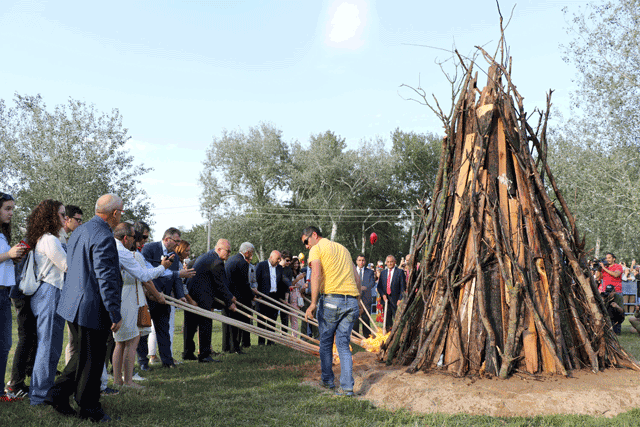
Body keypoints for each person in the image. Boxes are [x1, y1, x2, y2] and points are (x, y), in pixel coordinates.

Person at [46, 194, 124, 422]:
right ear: (115, 213)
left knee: (81, 355)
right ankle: (89, 408)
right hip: (91, 306)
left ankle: (58, 394)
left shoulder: (81, 229)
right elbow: (106, 277)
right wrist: (114, 312)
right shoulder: (103, 235)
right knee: (92, 358)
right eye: (122, 212)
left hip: (73, 303)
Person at [303, 226, 361, 396]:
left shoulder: (317, 249)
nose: (306, 246)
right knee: (343, 344)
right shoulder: (343, 249)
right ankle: (348, 387)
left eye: (306, 241)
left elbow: (316, 275)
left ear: (314, 235)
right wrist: (358, 302)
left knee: (326, 343)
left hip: (331, 301)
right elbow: (356, 278)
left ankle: (328, 381)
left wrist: (313, 303)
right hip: (351, 301)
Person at [112, 223, 169, 389]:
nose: (136, 243)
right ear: (126, 238)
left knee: (120, 342)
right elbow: (145, 276)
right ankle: (127, 381)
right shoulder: (130, 255)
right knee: (131, 340)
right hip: (129, 298)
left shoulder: (116, 250)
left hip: (123, 296)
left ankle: (118, 380)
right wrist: (162, 267)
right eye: (135, 239)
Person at [24, 200, 69, 406]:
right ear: (51, 217)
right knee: (48, 345)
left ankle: (42, 391)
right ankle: (40, 394)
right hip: (50, 292)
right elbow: (67, 265)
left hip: (49, 292)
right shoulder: (49, 239)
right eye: (61, 215)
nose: (65, 219)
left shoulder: (48, 238)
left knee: (50, 345)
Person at [138, 227, 190, 369]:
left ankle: (167, 361)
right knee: (144, 331)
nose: (178, 245)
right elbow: (147, 273)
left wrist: (180, 296)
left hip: (165, 298)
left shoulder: (174, 255)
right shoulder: (149, 249)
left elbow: (176, 279)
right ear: (167, 239)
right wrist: (155, 293)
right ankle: (143, 362)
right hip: (149, 297)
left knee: (164, 330)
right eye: (176, 241)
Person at [183, 239, 236, 362]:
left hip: (192, 293)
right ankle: (204, 355)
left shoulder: (207, 256)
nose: (229, 254)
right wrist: (230, 302)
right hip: (202, 295)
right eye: (228, 251)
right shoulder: (216, 261)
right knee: (205, 323)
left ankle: (188, 353)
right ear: (218, 250)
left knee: (190, 324)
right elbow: (220, 285)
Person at [0, 192, 27, 400]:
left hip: (4, 293)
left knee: (5, 344)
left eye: (12, 209)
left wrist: (13, 259)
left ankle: (1, 391)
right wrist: (8, 255)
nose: (11, 213)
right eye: (7, 209)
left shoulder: (2, 233)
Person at [61, 205, 83, 365]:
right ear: (67, 219)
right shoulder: (58, 238)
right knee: (74, 338)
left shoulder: (67, 238)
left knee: (75, 339)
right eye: (78, 220)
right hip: (64, 293)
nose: (80, 224)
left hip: (70, 292)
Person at [224, 242, 255, 353]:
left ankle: (228, 347)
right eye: (251, 253)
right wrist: (252, 296)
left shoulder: (231, 259)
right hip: (238, 297)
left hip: (228, 295)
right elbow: (244, 284)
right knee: (238, 323)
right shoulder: (242, 262)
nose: (251, 255)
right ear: (247, 252)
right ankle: (236, 347)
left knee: (229, 324)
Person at [255, 250, 288, 345]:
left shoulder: (279, 268)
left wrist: (289, 287)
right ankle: (261, 343)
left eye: (280, 259)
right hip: (262, 297)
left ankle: (270, 341)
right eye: (278, 259)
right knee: (261, 320)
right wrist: (257, 295)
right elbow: (255, 281)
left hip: (274, 297)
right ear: (271, 257)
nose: (279, 261)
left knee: (272, 319)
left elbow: (283, 281)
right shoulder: (261, 265)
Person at [377, 255, 406, 329]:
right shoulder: (383, 273)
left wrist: (400, 299)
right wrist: (383, 295)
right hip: (386, 300)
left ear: (395, 262)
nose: (390, 263)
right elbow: (379, 287)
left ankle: (397, 335)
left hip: (396, 300)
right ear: (386, 263)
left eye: (391, 262)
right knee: (387, 321)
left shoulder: (400, 272)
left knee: (398, 320)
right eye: (388, 262)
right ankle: (388, 335)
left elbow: (403, 288)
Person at [355, 254, 376, 338]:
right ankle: (355, 335)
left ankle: (367, 336)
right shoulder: (352, 271)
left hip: (366, 298)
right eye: (359, 260)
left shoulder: (370, 272)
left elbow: (372, 283)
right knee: (355, 318)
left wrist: (365, 287)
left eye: (363, 260)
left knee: (366, 318)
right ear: (356, 261)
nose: (361, 262)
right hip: (354, 298)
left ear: (365, 261)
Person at [288, 256, 305, 335]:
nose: (296, 265)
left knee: (294, 318)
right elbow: (290, 284)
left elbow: (301, 288)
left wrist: (304, 288)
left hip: (297, 297)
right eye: (294, 263)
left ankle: (294, 337)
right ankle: (284, 336)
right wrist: (298, 279)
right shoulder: (288, 273)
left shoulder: (300, 274)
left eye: (297, 263)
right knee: (286, 318)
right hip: (288, 297)